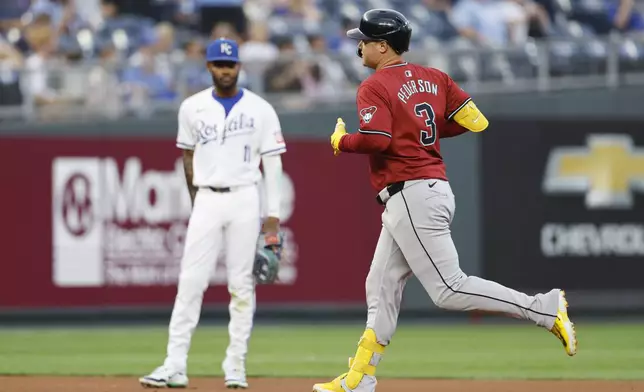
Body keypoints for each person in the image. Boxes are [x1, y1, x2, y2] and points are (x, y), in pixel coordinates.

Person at [312, 9, 577, 392]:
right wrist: (424, 126)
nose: (360, 46)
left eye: (364, 41)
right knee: (381, 284)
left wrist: (342, 141)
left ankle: (543, 308)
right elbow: (476, 121)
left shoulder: (374, 85)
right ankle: (361, 376)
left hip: (412, 193)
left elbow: (376, 140)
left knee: (449, 289)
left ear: (382, 47)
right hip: (424, 189)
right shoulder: (435, 77)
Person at [139, 37, 287, 390]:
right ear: (209, 66)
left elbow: (273, 162)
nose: (225, 69)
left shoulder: (260, 108)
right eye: (219, 64)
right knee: (190, 282)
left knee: (241, 285)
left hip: (245, 197)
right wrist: (196, 199)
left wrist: (273, 216)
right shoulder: (191, 107)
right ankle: (174, 365)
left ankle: (235, 366)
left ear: (239, 66)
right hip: (207, 197)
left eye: (231, 64)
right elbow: (187, 157)